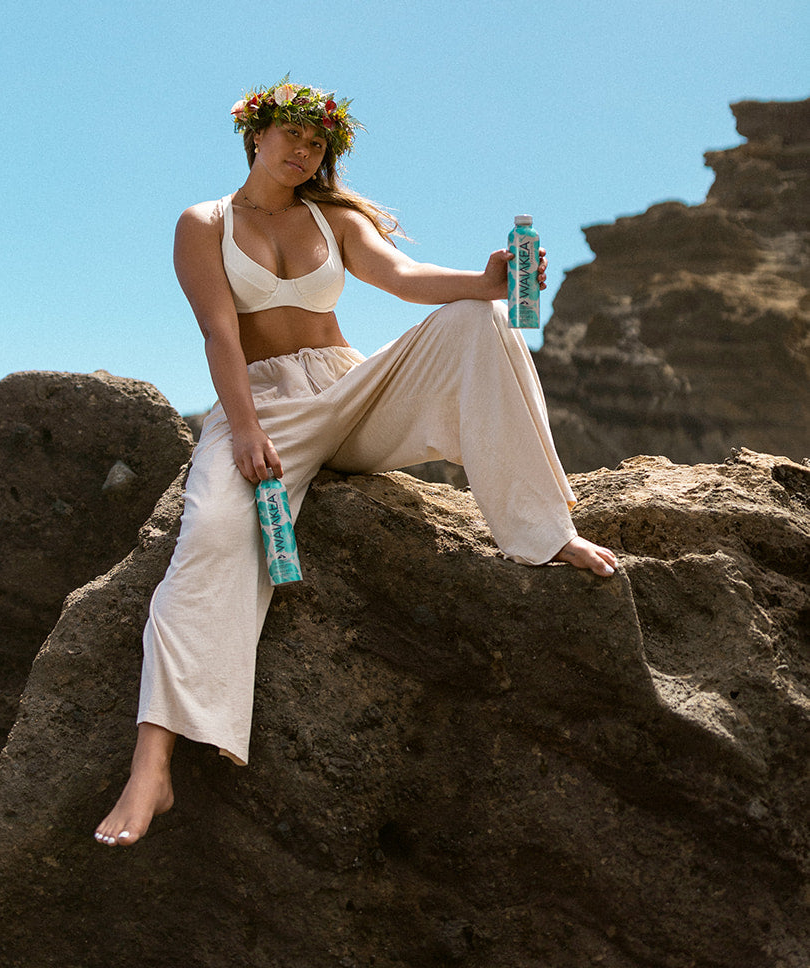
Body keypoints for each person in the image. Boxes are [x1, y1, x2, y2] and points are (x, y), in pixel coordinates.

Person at [95, 80, 616, 848]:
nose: (303, 152)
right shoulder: (202, 223)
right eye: (292, 137)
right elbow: (218, 335)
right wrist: (241, 429)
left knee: (477, 321)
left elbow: (402, 281)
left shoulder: (332, 218)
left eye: (318, 144)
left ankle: (543, 530)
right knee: (207, 537)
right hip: (264, 405)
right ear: (256, 134)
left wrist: (484, 283)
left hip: (346, 390)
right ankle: (152, 766)